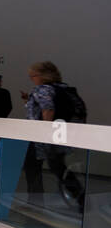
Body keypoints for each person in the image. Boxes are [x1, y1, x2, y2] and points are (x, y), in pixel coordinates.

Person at [20, 61, 85, 211]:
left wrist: (44, 133)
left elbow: (48, 110)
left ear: (42, 76)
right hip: (59, 136)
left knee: (32, 168)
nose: (31, 79)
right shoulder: (63, 88)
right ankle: (81, 198)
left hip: (42, 137)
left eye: (33, 76)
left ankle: (35, 202)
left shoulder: (42, 89)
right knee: (58, 167)